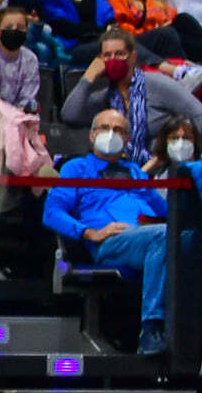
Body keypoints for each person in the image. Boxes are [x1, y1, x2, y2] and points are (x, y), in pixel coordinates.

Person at [43, 107, 173, 357]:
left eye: (119, 130)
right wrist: (90, 233)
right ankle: (151, 330)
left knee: (191, 238)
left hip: (148, 236)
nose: (111, 134)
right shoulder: (76, 168)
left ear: (127, 140)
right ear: (92, 135)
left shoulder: (135, 172)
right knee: (164, 236)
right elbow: (52, 213)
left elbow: (167, 211)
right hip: (112, 242)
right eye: (105, 128)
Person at [63, 25, 202, 156]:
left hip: (163, 170)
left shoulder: (156, 83)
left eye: (120, 54)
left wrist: (175, 153)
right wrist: (88, 78)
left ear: (133, 57)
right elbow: (69, 115)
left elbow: (201, 115)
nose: (113, 60)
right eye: (107, 55)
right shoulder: (105, 96)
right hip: (123, 171)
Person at [0, 5, 38, 112]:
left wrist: (20, 112)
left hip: (20, 116)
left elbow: (29, 95)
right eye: (9, 28)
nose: (15, 30)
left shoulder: (30, 59)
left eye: (20, 28)